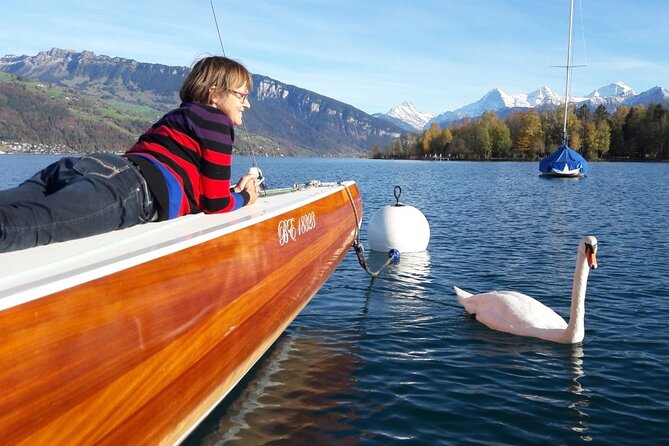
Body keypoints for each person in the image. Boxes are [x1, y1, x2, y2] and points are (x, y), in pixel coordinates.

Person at [0, 56, 259, 253]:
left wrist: (231, 192)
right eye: (242, 95)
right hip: (130, 189)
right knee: (26, 226)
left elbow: (201, 187)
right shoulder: (215, 119)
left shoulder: (178, 115)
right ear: (214, 92)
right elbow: (215, 205)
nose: (247, 104)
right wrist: (246, 197)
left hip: (89, 165)